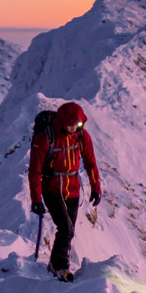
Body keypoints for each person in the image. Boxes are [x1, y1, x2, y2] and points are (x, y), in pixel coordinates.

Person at [29, 102, 101, 280]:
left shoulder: (82, 137)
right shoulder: (45, 139)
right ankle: (59, 265)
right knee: (66, 228)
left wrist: (96, 187)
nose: (75, 128)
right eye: (72, 124)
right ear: (62, 122)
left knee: (69, 230)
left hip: (73, 189)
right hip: (52, 189)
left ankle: (58, 263)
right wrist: (36, 199)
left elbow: (90, 162)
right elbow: (35, 171)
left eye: (78, 125)